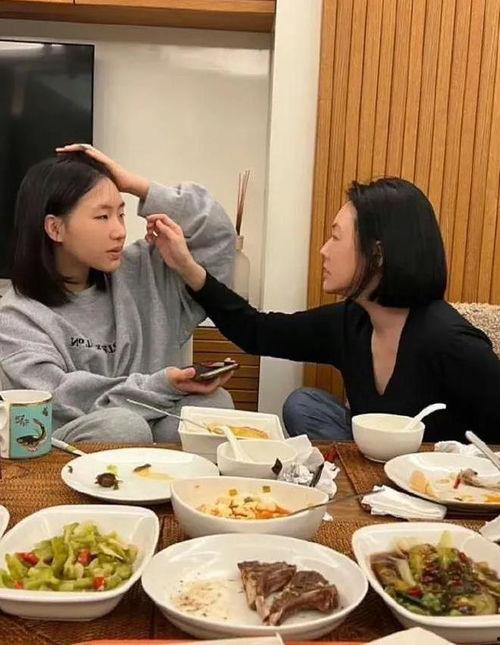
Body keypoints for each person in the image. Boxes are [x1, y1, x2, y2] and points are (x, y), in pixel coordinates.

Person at [143, 177, 500, 443]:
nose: (324, 250)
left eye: (336, 237)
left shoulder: (451, 342)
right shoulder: (353, 320)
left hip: (441, 484)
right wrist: (187, 267)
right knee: (304, 404)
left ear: (377, 253)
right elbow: (257, 331)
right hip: (379, 464)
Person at [0, 144, 236, 443]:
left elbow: (218, 234)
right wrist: (161, 385)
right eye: (103, 217)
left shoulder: (142, 271)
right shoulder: (17, 315)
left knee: (215, 406)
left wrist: (134, 184)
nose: (119, 231)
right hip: (76, 443)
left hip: (153, 418)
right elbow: (60, 401)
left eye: (121, 214)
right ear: (55, 228)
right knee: (123, 428)